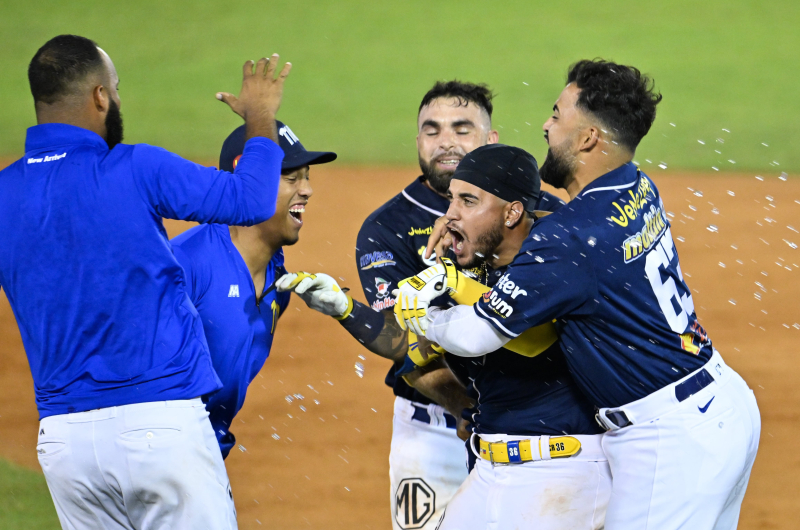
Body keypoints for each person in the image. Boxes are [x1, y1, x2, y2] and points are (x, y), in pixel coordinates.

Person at [398, 60, 761, 530]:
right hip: (718, 405)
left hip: (669, 440)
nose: (546, 126)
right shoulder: (635, 185)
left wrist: (421, 311)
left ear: (588, 138)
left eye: (556, 114)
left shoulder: (570, 238)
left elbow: (473, 337)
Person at [0, 34, 290, 529]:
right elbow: (253, 200)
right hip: (160, 427)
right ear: (99, 96)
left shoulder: (6, 192)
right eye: (115, 89)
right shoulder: (135, 167)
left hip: (66, 444)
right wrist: (260, 117)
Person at [276, 81, 565, 530]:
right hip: (435, 423)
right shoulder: (388, 228)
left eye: (461, 128)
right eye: (432, 130)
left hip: (527, 418)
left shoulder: (534, 211)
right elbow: (402, 339)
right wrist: (465, 406)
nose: (446, 140)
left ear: (491, 141)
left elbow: (550, 327)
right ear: (417, 142)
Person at [393, 143, 611, 529]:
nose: (450, 216)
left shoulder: (555, 256)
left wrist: (443, 296)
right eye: (451, 199)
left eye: (468, 201)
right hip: (490, 469)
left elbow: (531, 338)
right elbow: (414, 360)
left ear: (512, 212)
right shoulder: (473, 265)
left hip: (560, 470)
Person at [171, 121, 336, 459]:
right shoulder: (186, 264)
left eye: (307, 176)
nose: (307, 190)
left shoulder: (280, 285)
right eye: (291, 178)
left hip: (208, 455)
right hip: (164, 456)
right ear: (248, 186)